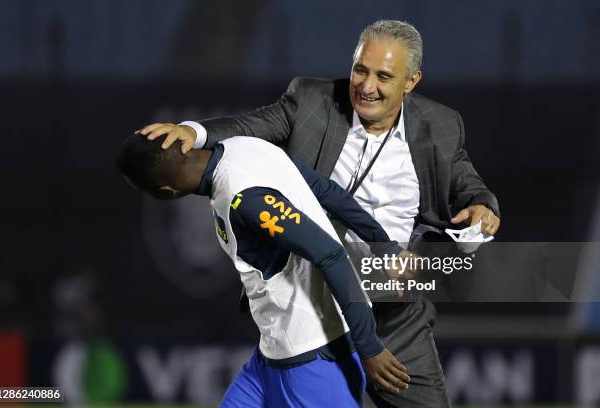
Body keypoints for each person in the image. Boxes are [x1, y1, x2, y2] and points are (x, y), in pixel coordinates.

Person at [138, 19, 500, 408]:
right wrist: (195, 133)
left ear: (411, 81)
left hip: (394, 311)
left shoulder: (440, 125)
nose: (366, 85)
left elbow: (466, 183)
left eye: (383, 76)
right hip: (317, 312)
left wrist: (483, 206)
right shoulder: (311, 101)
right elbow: (250, 125)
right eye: (360, 70)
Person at [117, 134, 411, 407]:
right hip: (272, 354)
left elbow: (331, 254)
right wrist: (384, 244)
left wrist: (370, 347)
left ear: (166, 192)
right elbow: (325, 191)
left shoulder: (241, 197)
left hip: (314, 356)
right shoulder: (244, 146)